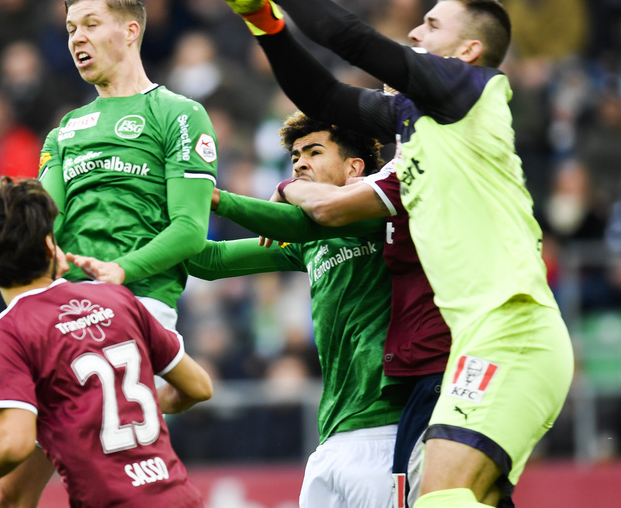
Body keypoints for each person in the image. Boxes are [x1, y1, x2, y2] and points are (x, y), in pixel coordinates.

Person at [212, 0, 573, 508]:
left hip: (513, 331)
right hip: (475, 343)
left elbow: (355, 41)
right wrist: (265, 22)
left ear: (468, 49)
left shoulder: (469, 92)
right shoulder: (417, 124)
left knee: (442, 496)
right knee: (454, 498)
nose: (415, 34)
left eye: (430, 25)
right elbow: (324, 95)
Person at [189, 111, 447, 507]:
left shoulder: (382, 213)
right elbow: (210, 261)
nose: (299, 164)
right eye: (294, 157)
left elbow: (316, 216)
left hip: (385, 430)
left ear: (354, 167)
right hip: (330, 437)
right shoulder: (308, 240)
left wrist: (216, 196)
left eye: (313, 152)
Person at [0, 177, 212, 506]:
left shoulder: (6, 331)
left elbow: (13, 442)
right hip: (182, 498)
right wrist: (116, 405)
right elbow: (198, 387)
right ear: (48, 247)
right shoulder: (116, 297)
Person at [39, 0, 218, 327]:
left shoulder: (179, 113)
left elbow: (190, 229)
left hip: (141, 303)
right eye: (71, 29)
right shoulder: (63, 132)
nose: (77, 38)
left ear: (130, 31)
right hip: (69, 308)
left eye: (91, 25)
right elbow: (45, 221)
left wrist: (122, 269)